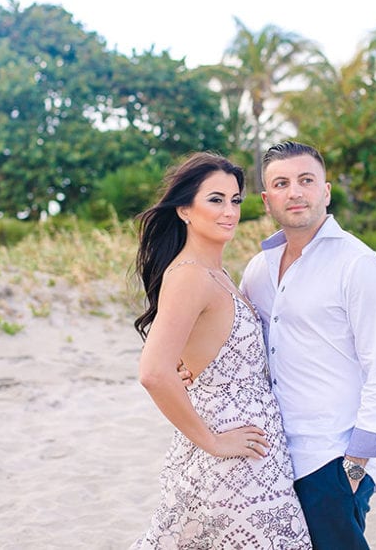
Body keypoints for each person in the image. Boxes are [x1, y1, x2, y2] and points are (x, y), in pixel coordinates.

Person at [130, 151, 311, 549]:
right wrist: (212, 442)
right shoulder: (190, 276)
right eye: (215, 199)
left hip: (255, 455)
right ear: (184, 210)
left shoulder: (219, 274)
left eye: (235, 200)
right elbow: (153, 372)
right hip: (230, 462)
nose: (229, 211)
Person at [240, 140, 376, 549]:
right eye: (281, 183)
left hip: (330, 459)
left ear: (325, 191)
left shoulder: (359, 265)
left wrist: (355, 468)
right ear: (266, 199)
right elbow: (238, 341)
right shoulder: (258, 269)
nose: (294, 192)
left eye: (306, 180)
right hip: (271, 458)